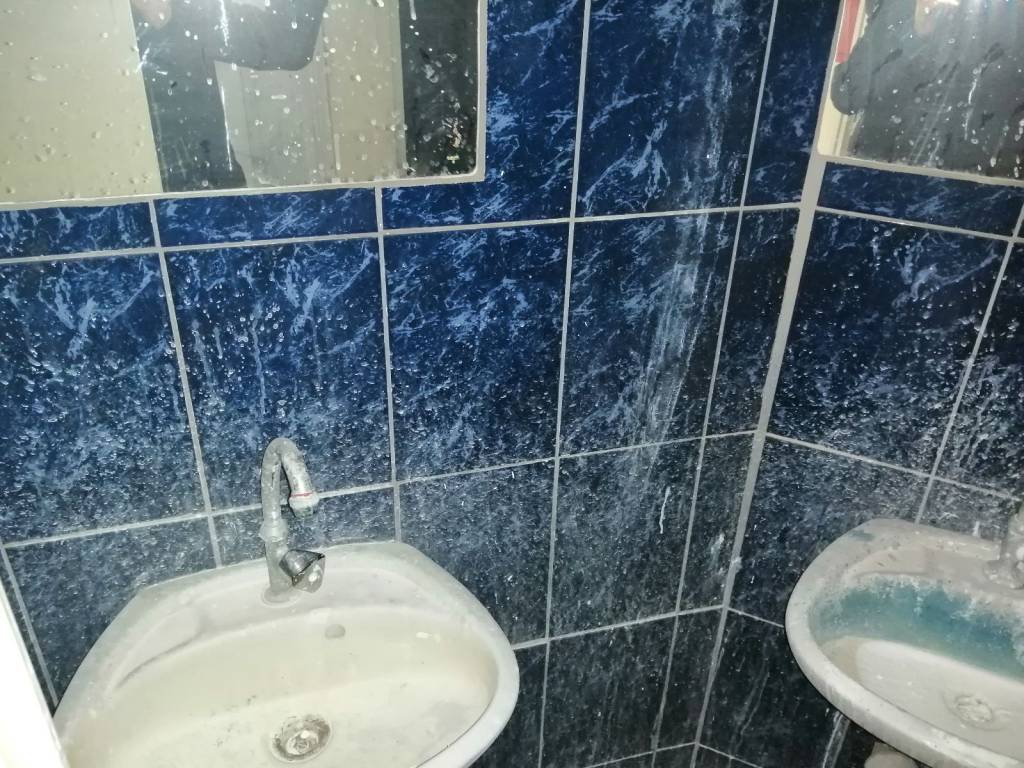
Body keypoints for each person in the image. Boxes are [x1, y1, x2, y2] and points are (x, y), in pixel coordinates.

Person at [131, 0, 328, 191]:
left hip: (216, 195)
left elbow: (288, 42)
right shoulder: (178, 15)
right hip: (174, 195)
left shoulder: (185, 14)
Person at [830, 0, 1024, 178]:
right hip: (872, 177)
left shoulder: (1010, 18)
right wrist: (914, 33)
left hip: (970, 187)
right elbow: (847, 97)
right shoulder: (898, 6)